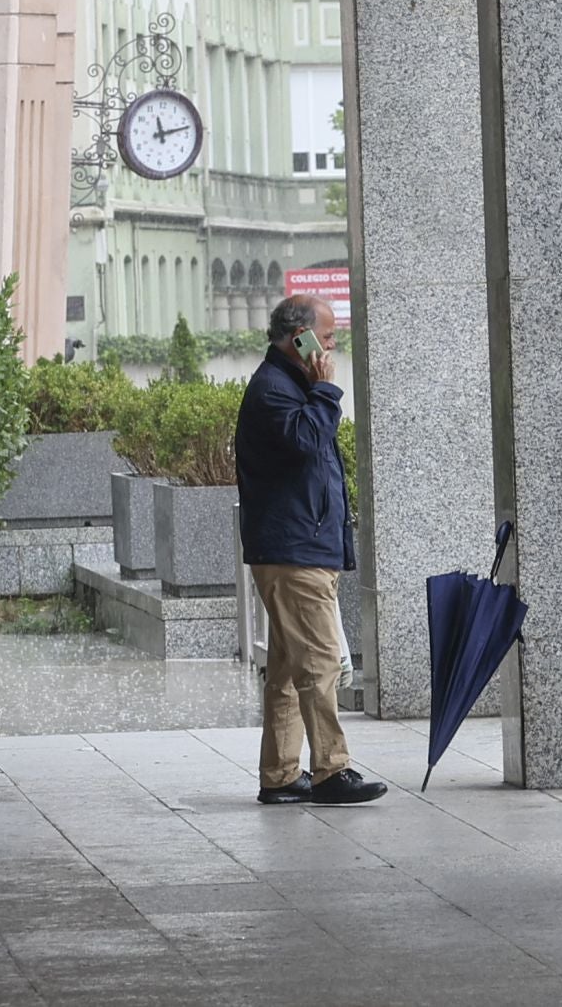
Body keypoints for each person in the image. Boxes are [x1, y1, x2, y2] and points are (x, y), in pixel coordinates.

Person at [236, 295, 387, 806]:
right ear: (296, 336)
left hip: (301, 545)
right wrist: (324, 390)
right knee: (321, 662)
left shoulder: (290, 386)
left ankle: (279, 774)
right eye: (325, 337)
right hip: (292, 551)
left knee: (285, 668)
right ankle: (330, 770)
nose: (332, 345)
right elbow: (304, 441)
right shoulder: (274, 390)